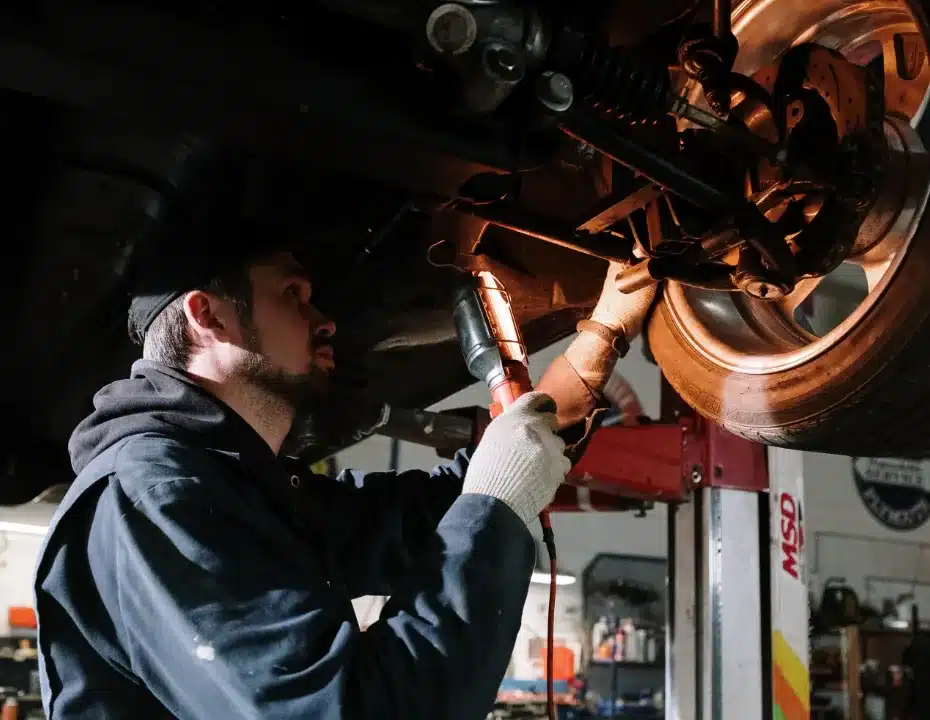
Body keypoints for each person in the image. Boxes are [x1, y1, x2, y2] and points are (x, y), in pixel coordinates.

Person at [33, 147, 656, 719]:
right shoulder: (153, 495)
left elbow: (430, 520)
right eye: (293, 294)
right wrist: (497, 505)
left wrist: (598, 345)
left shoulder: (236, 490)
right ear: (208, 315)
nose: (325, 319)